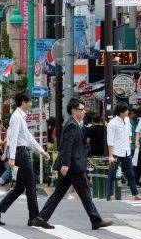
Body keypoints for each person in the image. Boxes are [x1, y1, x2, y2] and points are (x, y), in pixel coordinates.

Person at [31, 98, 112, 230]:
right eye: (82, 110)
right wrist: (66, 164)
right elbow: (67, 146)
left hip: (71, 165)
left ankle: (41, 218)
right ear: (74, 111)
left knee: (59, 193)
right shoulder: (72, 125)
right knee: (85, 192)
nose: (84, 112)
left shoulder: (74, 124)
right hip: (73, 165)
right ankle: (95, 220)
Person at [0, 90, 50, 227]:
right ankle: (34, 217)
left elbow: (28, 136)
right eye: (29, 101)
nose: (30, 104)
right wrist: (12, 157)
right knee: (31, 185)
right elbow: (14, 137)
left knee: (20, 187)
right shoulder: (16, 117)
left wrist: (41, 151)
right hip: (21, 153)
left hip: (23, 151)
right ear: (23, 102)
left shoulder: (21, 116)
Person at [106, 103, 141, 201]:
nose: (128, 112)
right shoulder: (112, 123)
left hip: (127, 151)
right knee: (112, 173)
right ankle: (110, 194)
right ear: (121, 112)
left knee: (131, 173)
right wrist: (110, 155)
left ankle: (135, 194)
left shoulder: (127, 120)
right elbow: (110, 140)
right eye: (126, 110)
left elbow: (129, 134)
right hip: (116, 151)